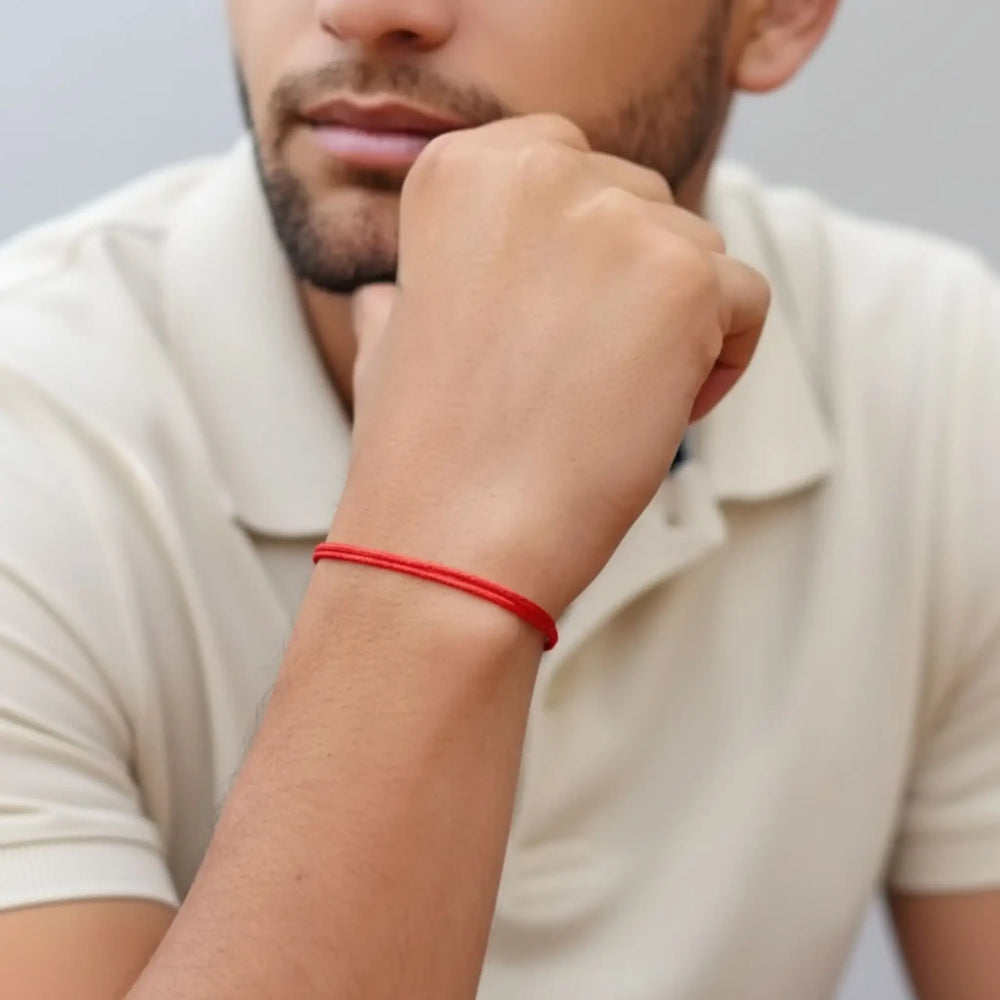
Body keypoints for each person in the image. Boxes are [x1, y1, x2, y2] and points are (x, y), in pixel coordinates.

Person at [1, 0, 998, 997]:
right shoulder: (32, 422)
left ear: (774, 16)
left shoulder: (934, 368)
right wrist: (438, 554)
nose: (364, 13)